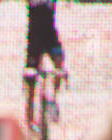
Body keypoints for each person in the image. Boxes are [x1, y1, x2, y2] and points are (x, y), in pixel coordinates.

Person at [23, 0, 67, 131]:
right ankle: (30, 122)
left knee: (59, 62)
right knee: (31, 85)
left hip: (50, 37)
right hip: (34, 40)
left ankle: (53, 98)